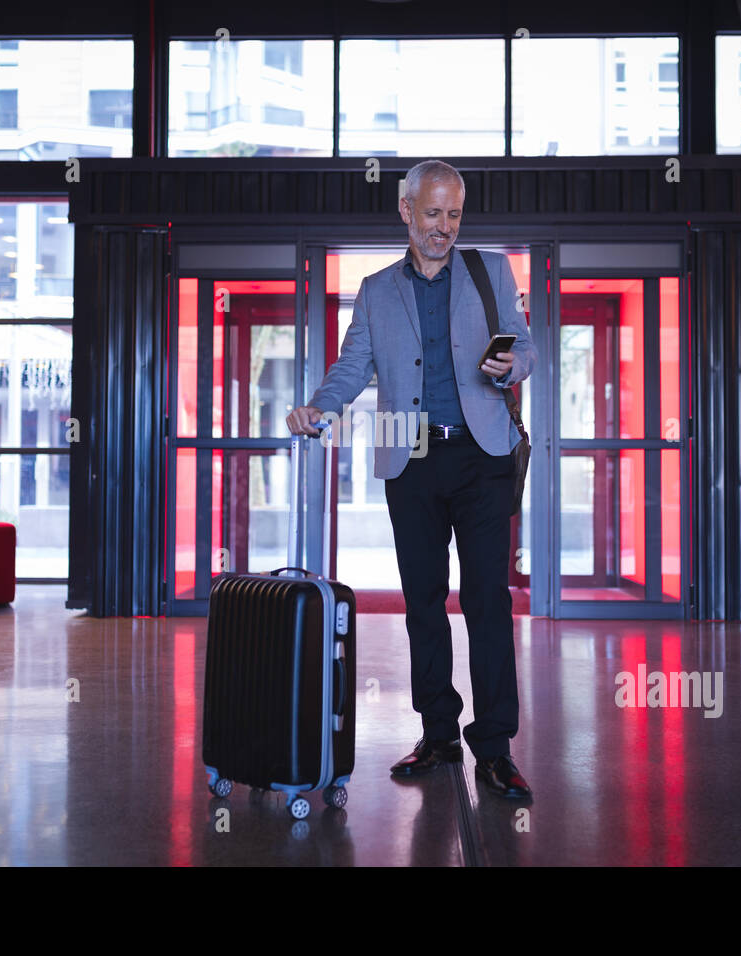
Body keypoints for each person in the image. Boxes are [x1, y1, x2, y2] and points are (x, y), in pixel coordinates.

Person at [285, 160, 536, 799]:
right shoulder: (375, 291)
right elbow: (352, 367)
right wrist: (322, 406)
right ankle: (438, 733)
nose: (444, 227)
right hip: (411, 458)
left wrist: (509, 366)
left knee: (488, 602)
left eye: (454, 215)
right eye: (433, 214)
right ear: (406, 210)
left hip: (482, 458)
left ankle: (496, 747)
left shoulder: (491, 272)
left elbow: (528, 350)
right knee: (424, 602)